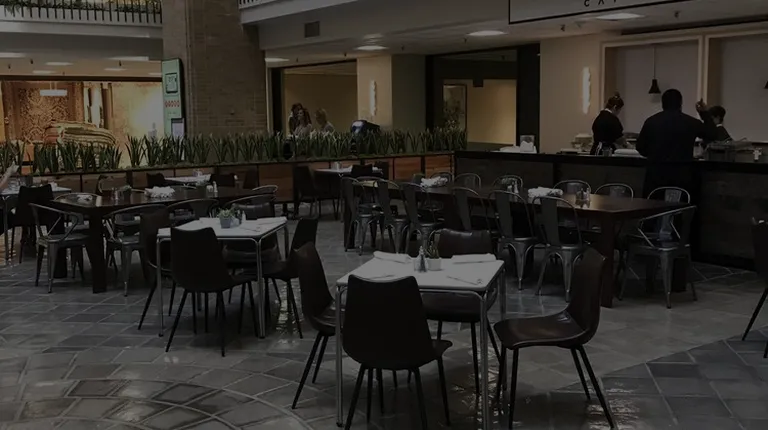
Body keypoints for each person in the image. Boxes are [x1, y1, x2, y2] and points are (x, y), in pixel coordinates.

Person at [636, 89, 717, 196]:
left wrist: (654, 154)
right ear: (680, 104)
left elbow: (640, 147)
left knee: (653, 203)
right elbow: (712, 134)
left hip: (656, 175)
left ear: (663, 104)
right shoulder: (690, 122)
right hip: (682, 175)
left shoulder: (651, 122)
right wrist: (704, 113)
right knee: (681, 204)